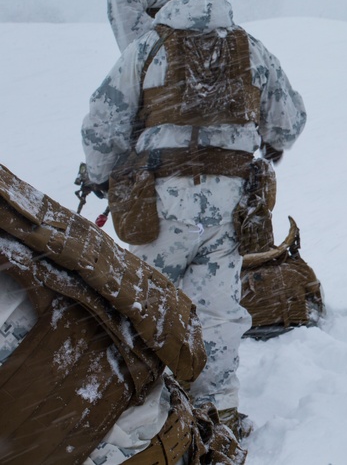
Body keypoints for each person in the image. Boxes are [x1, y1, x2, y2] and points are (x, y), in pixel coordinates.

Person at [81, 0, 307, 436]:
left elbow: (103, 125)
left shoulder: (145, 47)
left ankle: (146, 412)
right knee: (219, 312)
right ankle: (219, 411)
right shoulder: (253, 50)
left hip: (155, 204)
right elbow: (289, 122)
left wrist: (100, 174)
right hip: (229, 208)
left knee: (143, 306)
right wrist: (267, 141)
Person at [0, 161, 243, 465]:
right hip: (227, 187)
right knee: (174, 314)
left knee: (147, 314)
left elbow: (110, 118)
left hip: (161, 192)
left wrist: (103, 174)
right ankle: (219, 404)